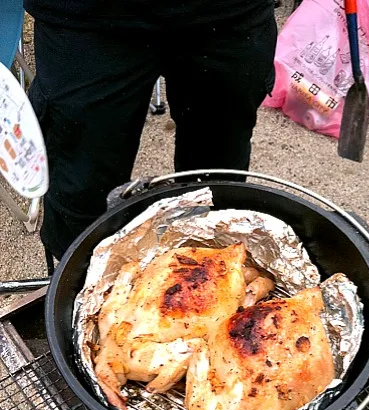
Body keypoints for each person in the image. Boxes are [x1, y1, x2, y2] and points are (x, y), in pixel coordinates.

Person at [24, 0, 277, 259]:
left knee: (217, 189)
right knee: (82, 197)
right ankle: (72, 291)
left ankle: (210, 273)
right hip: (85, 19)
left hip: (231, 14)